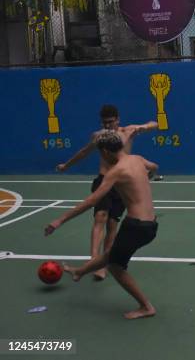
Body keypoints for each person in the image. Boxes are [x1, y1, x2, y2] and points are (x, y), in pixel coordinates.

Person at [46, 130, 159, 320]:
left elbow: (92, 201)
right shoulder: (138, 159)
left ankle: (146, 307)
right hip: (150, 225)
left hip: (135, 226)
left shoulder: (116, 171)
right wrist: (148, 176)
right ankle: (80, 271)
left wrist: (60, 220)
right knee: (112, 253)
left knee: (115, 267)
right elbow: (154, 166)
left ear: (105, 152)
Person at [56, 104, 158, 280]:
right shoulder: (98, 136)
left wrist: (143, 127)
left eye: (111, 122)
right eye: (105, 123)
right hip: (103, 179)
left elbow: (154, 123)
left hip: (121, 184)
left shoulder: (129, 131)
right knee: (100, 217)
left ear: (118, 119)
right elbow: (83, 152)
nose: (108, 126)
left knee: (112, 224)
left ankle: (103, 264)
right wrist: (66, 165)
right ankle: (92, 261)